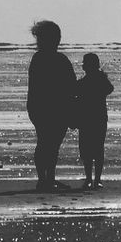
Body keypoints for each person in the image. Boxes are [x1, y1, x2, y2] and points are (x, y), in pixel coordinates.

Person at [26, 19, 77, 192]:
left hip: (44, 107)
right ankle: (45, 179)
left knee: (49, 143)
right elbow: (71, 86)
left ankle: (47, 179)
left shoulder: (43, 58)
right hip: (49, 107)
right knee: (48, 143)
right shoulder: (50, 59)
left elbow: (70, 85)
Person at [74, 52, 114, 190]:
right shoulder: (98, 80)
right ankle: (95, 179)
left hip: (88, 118)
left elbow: (109, 89)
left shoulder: (85, 83)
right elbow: (109, 89)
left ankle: (91, 179)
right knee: (96, 149)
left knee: (88, 150)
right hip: (97, 118)